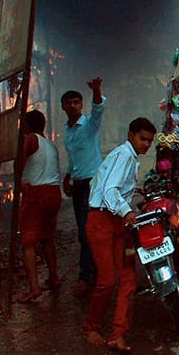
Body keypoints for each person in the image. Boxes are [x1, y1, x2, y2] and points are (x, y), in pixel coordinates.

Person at [82, 117, 157, 354]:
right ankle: (90, 327)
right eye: (142, 138)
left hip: (116, 223)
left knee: (128, 278)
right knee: (107, 280)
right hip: (101, 221)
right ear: (131, 135)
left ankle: (117, 333)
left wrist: (129, 211)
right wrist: (127, 212)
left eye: (149, 141)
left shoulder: (131, 158)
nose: (146, 144)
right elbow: (109, 191)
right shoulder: (124, 155)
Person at [61, 77, 105, 295]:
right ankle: (95, 272)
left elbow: (98, 109)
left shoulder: (89, 125)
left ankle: (87, 275)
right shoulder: (67, 131)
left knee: (86, 231)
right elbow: (72, 157)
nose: (72, 105)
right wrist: (67, 176)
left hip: (92, 184)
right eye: (68, 102)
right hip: (78, 185)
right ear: (63, 106)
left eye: (76, 102)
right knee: (85, 231)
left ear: (81, 105)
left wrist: (96, 91)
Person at [16, 109, 62, 303]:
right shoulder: (50, 145)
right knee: (47, 239)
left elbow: (19, 162)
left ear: (27, 125)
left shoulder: (31, 139)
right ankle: (54, 278)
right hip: (53, 193)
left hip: (37, 194)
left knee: (28, 242)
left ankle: (34, 288)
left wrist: (19, 181)